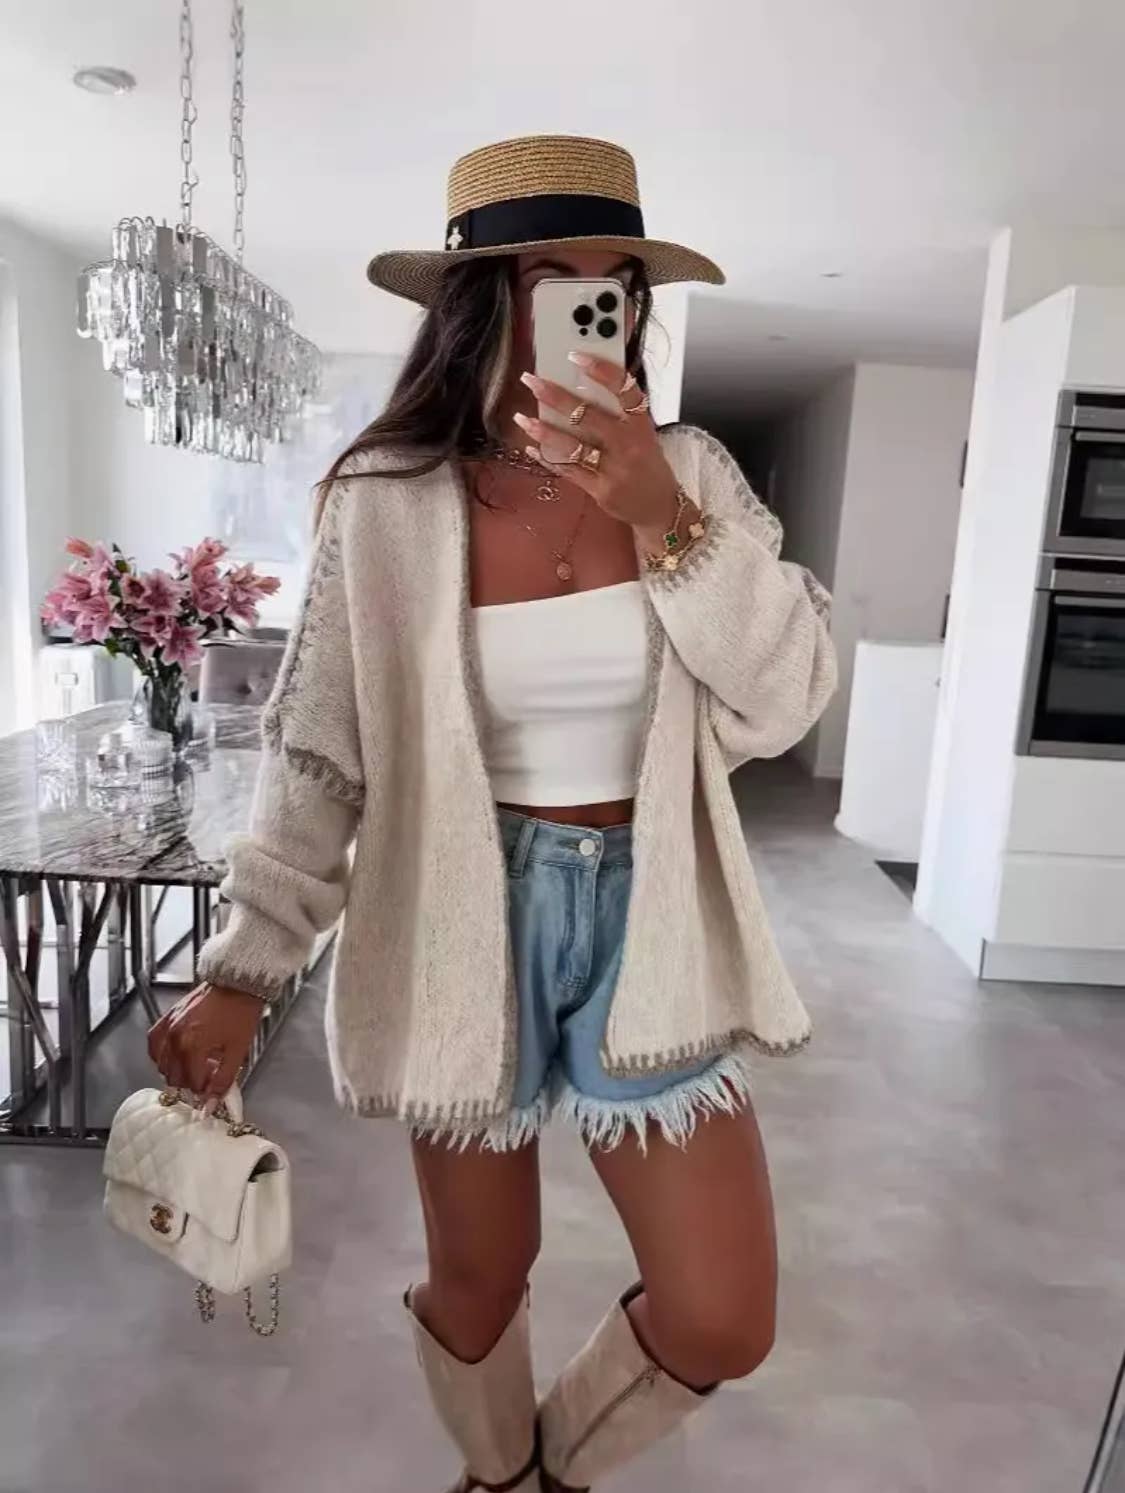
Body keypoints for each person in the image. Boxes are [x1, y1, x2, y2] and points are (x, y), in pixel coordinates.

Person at [149, 134, 836, 1492]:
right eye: (557, 284)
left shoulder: (691, 476)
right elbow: (320, 755)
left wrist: (661, 521)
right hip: (458, 910)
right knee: (481, 1271)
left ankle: (546, 1470)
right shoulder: (384, 504)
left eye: (616, 287)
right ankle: (494, 1475)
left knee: (721, 1313)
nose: (599, 312)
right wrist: (245, 965)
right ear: (481, 305)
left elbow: (788, 694)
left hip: (652, 916)